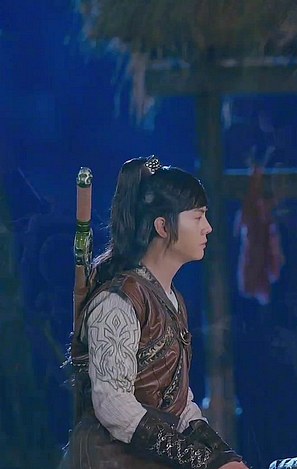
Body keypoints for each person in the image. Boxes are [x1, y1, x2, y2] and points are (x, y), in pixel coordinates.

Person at [62, 156, 248, 469]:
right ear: (162, 226)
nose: (208, 227)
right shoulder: (117, 301)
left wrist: (224, 458)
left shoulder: (172, 299)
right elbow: (113, 405)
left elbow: (180, 404)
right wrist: (203, 461)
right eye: (198, 217)